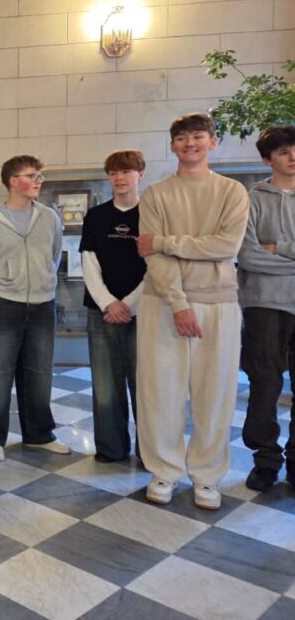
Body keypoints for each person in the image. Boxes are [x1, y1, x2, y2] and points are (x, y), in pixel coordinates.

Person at [136, 112, 249, 510]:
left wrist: (166, 241)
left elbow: (226, 246)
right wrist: (179, 304)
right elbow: (151, 255)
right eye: (182, 138)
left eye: (199, 136)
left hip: (218, 302)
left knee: (215, 392)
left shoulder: (232, 191)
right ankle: (164, 470)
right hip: (163, 303)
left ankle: (207, 475)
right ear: (172, 146)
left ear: (212, 142)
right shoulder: (155, 193)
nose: (190, 143)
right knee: (159, 390)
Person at [0, 155, 69, 462]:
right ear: (13, 181)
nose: (39, 181)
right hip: (3, 304)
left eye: (39, 176)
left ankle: (39, 434)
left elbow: (54, 255)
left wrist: (42, 280)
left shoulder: (49, 217)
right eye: (31, 175)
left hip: (42, 304)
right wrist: (3, 285)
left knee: (39, 372)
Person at [237, 124, 295, 492]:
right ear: (267, 159)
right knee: (264, 384)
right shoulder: (251, 199)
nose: (292, 156)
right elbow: (247, 255)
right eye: (283, 151)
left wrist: (278, 249)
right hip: (263, 304)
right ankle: (266, 460)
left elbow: (266, 253)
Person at [81, 150, 146, 462]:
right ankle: (111, 447)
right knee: (105, 385)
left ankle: (150, 452)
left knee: (145, 385)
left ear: (140, 174)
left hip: (144, 312)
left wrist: (129, 304)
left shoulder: (152, 214)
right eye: (113, 173)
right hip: (101, 313)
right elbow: (88, 262)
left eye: (126, 171)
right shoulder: (96, 216)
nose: (119, 178)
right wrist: (109, 302)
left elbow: (158, 267)